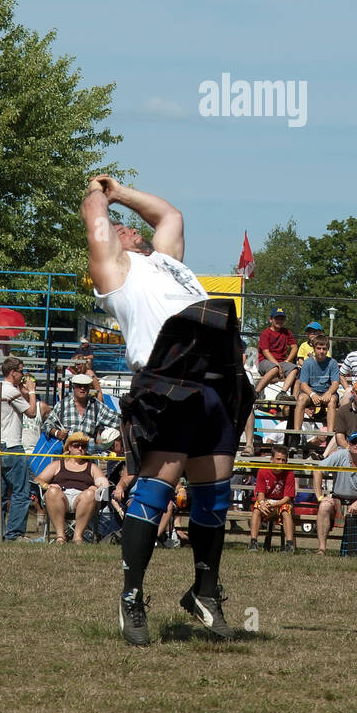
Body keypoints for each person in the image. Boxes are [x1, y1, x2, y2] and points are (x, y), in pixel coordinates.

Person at [84, 175, 252, 645]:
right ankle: (132, 597)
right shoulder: (115, 272)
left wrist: (120, 191)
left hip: (213, 376)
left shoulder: (166, 263)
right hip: (167, 379)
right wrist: (98, 193)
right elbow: (94, 219)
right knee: (159, 487)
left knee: (215, 491)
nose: (133, 229)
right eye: (123, 227)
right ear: (115, 241)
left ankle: (203, 591)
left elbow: (170, 216)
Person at [0, 356, 37, 542]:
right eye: (21, 371)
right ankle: (14, 534)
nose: (22, 375)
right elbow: (32, 413)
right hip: (12, 445)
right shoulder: (11, 392)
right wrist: (31, 392)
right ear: (13, 372)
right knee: (21, 491)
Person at [35, 432, 109, 544]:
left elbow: (104, 485)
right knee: (52, 491)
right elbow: (38, 480)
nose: (80, 449)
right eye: (76, 445)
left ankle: (77, 537)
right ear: (69, 447)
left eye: (83, 446)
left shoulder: (92, 467)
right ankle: (60, 537)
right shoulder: (58, 464)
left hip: (82, 499)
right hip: (61, 498)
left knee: (90, 494)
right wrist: (47, 486)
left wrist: (96, 488)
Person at [313, 433, 357, 557]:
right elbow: (318, 470)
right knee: (324, 506)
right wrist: (320, 497)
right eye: (354, 442)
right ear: (348, 444)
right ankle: (321, 549)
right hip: (338, 498)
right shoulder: (339, 455)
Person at [42, 372, 119, 446]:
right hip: (66, 454)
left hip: (87, 455)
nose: (82, 388)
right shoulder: (62, 405)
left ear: (89, 388)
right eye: (79, 385)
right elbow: (47, 425)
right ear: (73, 387)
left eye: (85, 386)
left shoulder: (97, 406)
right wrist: (57, 433)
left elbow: (117, 420)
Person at [248, 443, 296, 552]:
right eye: (278, 459)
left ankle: (289, 544)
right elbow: (260, 493)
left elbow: (287, 498)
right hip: (267, 501)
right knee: (257, 509)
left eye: (283, 460)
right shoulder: (263, 470)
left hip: (282, 502)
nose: (281, 463)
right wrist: (262, 503)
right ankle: (253, 542)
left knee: (286, 510)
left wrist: (275, 504)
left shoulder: (289, 473)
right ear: (272, 459)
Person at [293, 335, 341, 435]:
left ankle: (330, 434)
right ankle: (296, 434)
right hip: (311, 391)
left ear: (327, 349)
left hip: (327, 391)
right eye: (318, 348)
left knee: (332, 401)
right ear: (314, 349)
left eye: (324, 349)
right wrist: (312, 394)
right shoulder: (307, 363)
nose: (321, 351)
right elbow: (303, 384)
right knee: (301, 399)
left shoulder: (332, 363)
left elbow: (335, 383)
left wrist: (328, 393)